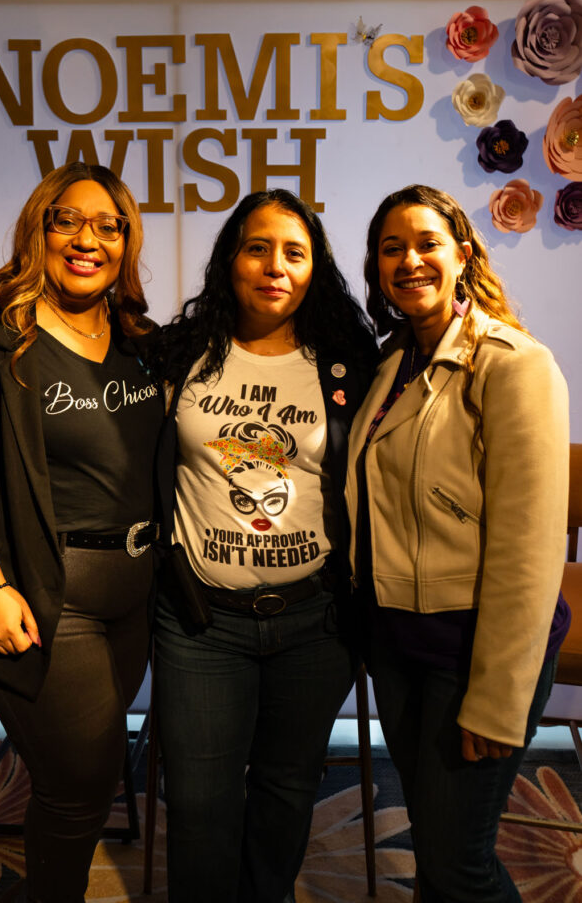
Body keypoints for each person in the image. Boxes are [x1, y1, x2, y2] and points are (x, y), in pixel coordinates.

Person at [0, 162, 163, 903]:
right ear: (38, 230)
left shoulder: (143, 342)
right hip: (46, 599)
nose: (88, 240)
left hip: (135, 598)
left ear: (126, 244)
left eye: (109, 227)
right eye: (68, 221)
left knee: (88, 774)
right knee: (80, 781)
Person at [345, 184, 570, 902]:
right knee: (434, 846)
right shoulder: (389, 365)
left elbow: (529, 553)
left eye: (427, 244)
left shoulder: (512, 363)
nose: (409, 261)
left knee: (457, 864)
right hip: (399, 644)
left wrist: (498, 698)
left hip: (472, 651)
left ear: (463, 256)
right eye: (392, 249)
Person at [153, 188, 377, 903]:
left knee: (286, 788)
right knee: (198, 800)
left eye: (294, 252)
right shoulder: (181, 354)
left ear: (315, 268)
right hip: (201, 623)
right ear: (230, 261)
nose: (275, 266)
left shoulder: (346, 364)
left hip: (316, 622)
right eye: (257, 248)